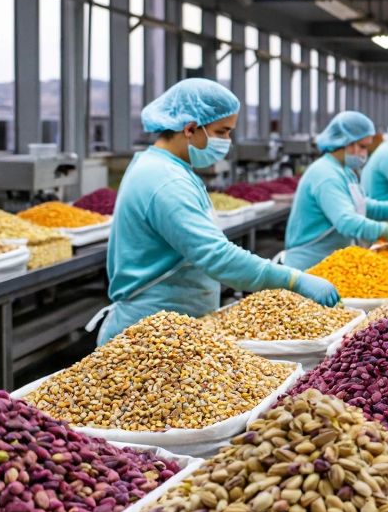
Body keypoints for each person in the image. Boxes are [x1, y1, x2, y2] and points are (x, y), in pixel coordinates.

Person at [94, 79, 339, 344]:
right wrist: (293, 279)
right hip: (148, 334)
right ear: (190, 128)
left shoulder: (166, 167)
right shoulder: (166, 180)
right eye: (222, 132)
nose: (227, 141)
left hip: (173, 328)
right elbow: (217, 256)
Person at [284, 111, 388, 270]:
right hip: (309, 266)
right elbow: (347, 221)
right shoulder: (326, 175)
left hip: (331, 262)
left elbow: (360, 206)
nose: (365, 153)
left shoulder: (344, 171)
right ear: (345, 142)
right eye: (362, 147)